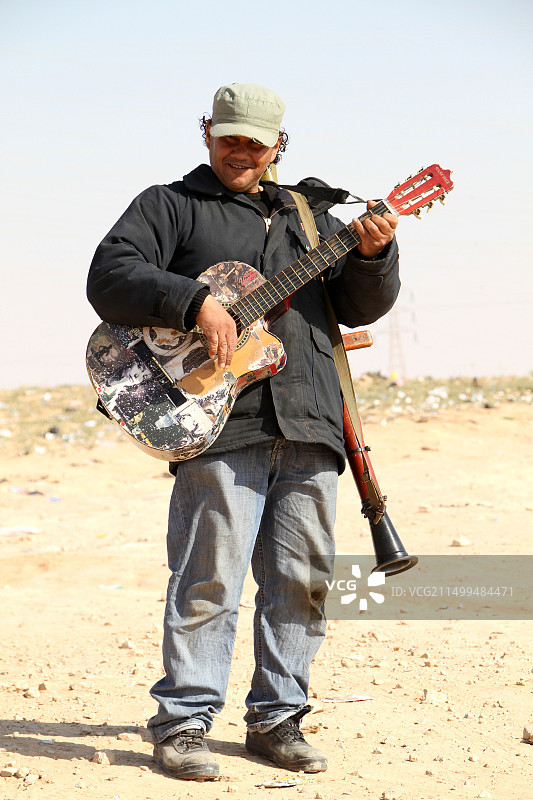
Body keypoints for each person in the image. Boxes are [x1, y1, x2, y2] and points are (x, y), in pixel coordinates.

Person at [87, 82, 400, 781]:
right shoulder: (169, 205)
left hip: (312, 417)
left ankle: (277, 719)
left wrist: (376, 256)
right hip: (218, 424)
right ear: (207, 132)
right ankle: (185, 723)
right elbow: (110, 276)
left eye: (255, 142)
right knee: (208, 577)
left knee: (301, 578)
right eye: (228, 137)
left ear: (278, 146)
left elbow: (359, 304)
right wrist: (194, 300)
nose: (240, 151)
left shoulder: (313, 216)